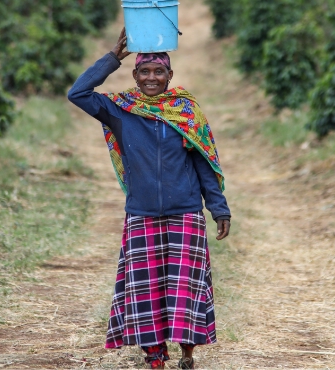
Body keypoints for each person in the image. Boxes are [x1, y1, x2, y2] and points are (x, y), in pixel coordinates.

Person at [67, 28, 231, 369]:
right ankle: (154, 356)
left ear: (170, 75)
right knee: (146, 292)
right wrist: (112, 57)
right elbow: (78, 93)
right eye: (145, 72)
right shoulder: (120, 110)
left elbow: (204, 164)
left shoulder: (186, 112)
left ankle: (187, 354)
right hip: (141, 214)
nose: (151, 78)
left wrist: (218, 208)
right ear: (135, 75)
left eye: (159, 72)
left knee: (185, 289)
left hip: (185, 213)